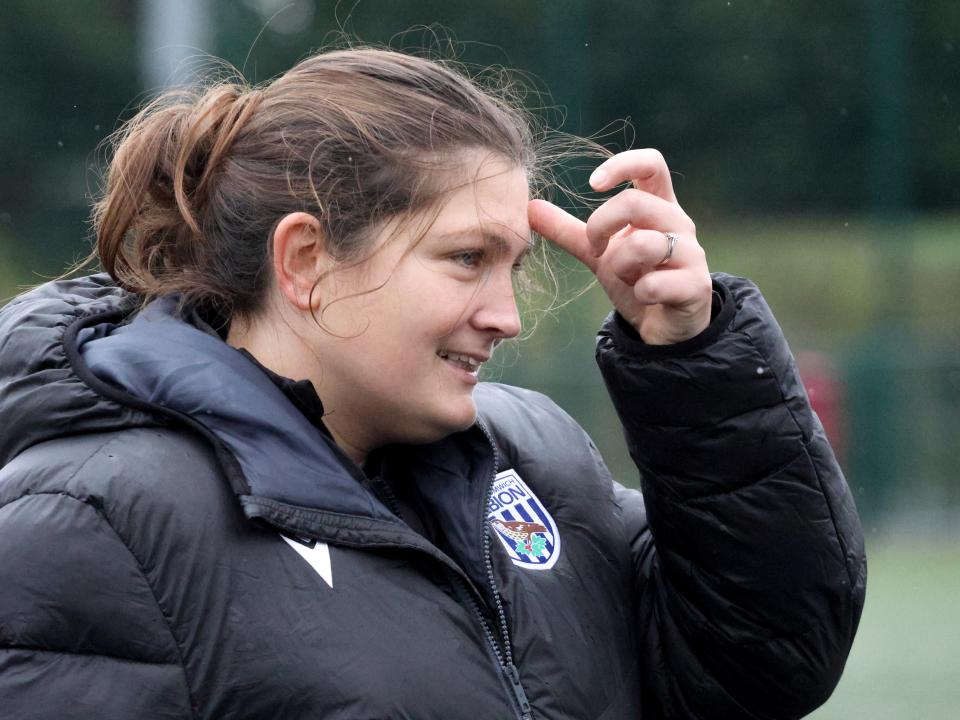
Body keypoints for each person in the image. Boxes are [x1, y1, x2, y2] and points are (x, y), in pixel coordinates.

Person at [0, 47, 865, 720]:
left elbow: (763, 663)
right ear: (304, 260)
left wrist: (692, 357)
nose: (507, 315)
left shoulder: (533, 460)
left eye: (513, 264)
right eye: (466, 259)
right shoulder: (90, 524)